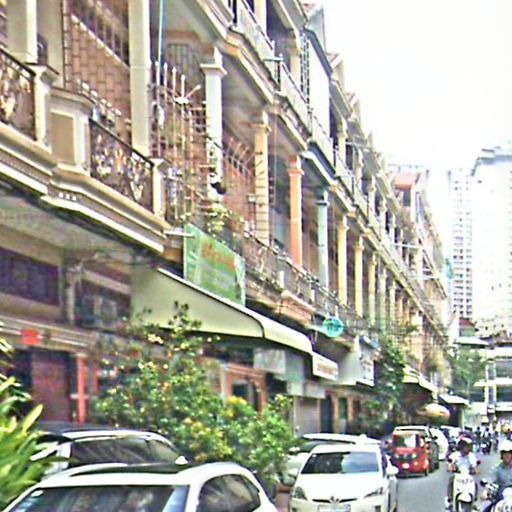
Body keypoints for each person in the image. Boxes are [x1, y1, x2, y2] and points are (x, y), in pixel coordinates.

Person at [446, 436, 479, 510]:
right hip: (458, 475)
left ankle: (475, 501)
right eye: (466, 446)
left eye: (468, 446)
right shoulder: (455, 455)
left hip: (468, 476)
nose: (467, 448)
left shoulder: (471, 456)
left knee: (475, 484)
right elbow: (450, 463)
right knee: (451, 482)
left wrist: (476, 470)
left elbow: (475, 466)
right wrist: (450, 468)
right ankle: (450, 500)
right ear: (461, 446)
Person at [483, 439, 512, 512]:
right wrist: (486, 492)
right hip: (501, 496)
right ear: (502, 455)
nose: (507, 456)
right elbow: (491, 481)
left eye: (509, 453)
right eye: (505, 453)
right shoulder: (497, 469)